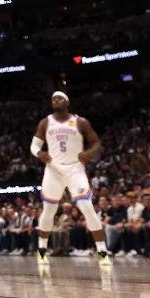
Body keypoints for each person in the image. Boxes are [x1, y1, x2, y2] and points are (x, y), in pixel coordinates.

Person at [32, 91, 109, 260]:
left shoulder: (81, 121)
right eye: (53, 99)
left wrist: (90, 153)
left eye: (59, 98)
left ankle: (102, 250)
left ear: (67, 102)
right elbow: (34, 145)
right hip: (53, 169)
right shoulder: (45, 122)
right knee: (49, 209)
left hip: (75, 168)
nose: (55, 101)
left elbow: (97, 143)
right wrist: (39, 153)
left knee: (87, 207)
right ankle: (42, 248)